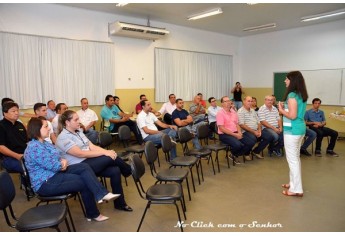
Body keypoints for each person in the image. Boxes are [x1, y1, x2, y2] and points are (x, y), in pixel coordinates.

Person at [24, 117, 119, 222]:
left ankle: (101, 196)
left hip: (55, 174)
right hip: (45, 183)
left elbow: (59, 157)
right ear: (37, 129)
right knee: (83, 180)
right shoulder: (34, 147)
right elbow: (57, 166)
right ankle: (93, 213)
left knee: (84, 167)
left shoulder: (45, 143)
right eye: (46, 127)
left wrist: (62, 161)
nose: (49, 129)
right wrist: (62, 162)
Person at [56, 110, 133, 212]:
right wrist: (105, 153)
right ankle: (129, 170)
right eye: (76, 119)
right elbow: (80, 153)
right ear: (67, 122)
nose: (79, 121)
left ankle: (120, 204)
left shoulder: (78, 132)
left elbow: (92, 146)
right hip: (79, 166)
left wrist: (107, 151)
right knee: (109, 157)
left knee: (115, 170)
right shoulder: (63, 137)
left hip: (90, 162)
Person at [278, 70, 308, 197]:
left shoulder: (291, 95)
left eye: (287, 79)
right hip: (299, 129)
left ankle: (296, 189)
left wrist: (281, 110)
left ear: (292, 81)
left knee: (292, 160)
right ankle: (293, 183)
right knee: (295, 158)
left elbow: (292, 115)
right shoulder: (301, 94)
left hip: (293, 131)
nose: (285, 81)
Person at [216, 96, 256, 164]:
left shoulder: (233, 111)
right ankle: (235, 154)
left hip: (236, 132)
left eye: (229, 101)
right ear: (222, 104)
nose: (228, 102)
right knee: (238, 145)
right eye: (226, 101)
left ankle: (234, 154)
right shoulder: (220, 113)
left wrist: (239, 133)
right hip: (224, 134)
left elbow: (237, 124)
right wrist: (235, 135)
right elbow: (221, 128)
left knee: (251, 143)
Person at [238, 96, 273, 160]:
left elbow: (259, 122)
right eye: (248, 101)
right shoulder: (240, 111)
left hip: (256, 130)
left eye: (251, 101)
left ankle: (256, 151)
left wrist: (259, 130)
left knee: (269, 137)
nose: (250, 103)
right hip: (246, 131)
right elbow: (242, 125)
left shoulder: (252, 110)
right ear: (244, 102)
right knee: (253, 139)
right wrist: (254, 132)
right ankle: (246, 153)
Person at [0, 102, 27, 174]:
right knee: (29, 168)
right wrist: (17, 156)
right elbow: (1, 147)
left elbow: (26, 141)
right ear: (5, 113)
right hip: (8, 158)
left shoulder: (20, 125)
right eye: (13, 111)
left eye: (17, 110)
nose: (16, 113)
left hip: (24, 155)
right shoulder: (1, 126)